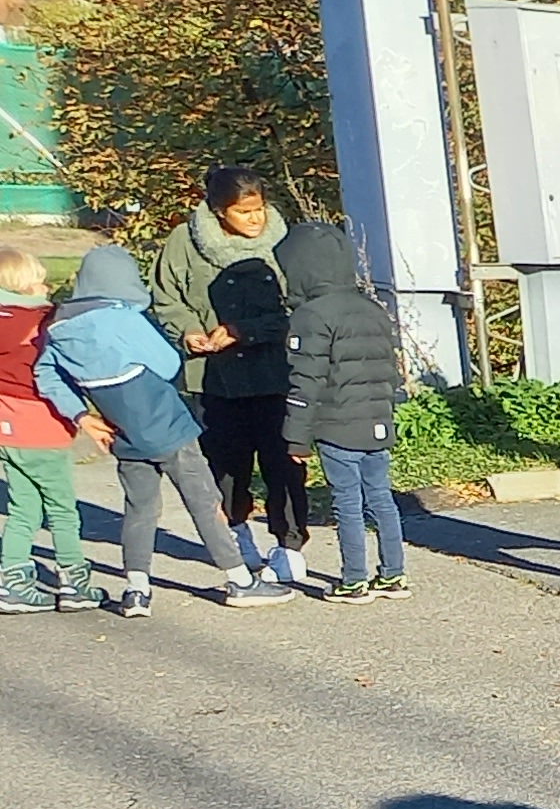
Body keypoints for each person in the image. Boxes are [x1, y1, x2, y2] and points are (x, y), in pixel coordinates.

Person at [36, 244, 278, 615]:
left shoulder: (59, 328)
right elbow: (166, 365)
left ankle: (136, 589)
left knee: (139, 509)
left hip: (124, 434)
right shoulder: (123, 319)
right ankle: (240, 580)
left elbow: (46, 374)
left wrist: (81, 416)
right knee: (204, 502)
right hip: (167, 426)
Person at [149, 166, 308, 589]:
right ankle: (237, 536)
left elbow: (300, 306)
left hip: (277, 373)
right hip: (213, 379)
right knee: (225, 466)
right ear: (219, 211)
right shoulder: (183, 243)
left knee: (284, 464)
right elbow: (167, 298)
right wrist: (187, 332)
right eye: (243, 212)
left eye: (259, 209)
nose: (255, 219)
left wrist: (245, 331)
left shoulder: (286, 244)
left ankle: (289, 546)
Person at [274, 221, 411, 601]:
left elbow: (306, 382)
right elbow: (389, 370)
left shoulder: (311, 316)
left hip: (336, 425)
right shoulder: (372, 308)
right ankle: (393, 575)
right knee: (381, 497)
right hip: (376, 421)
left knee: (347, 502)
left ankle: (353, 579)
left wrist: (296, 438)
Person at [0, 249, 99, 613]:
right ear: (24, 285)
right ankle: (74, 579)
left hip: (7, 427)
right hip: (42, 424)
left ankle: (12, 578)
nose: (46, 286)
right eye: (40, 279)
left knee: (23, 504)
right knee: (61, 506)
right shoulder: (42, 321)